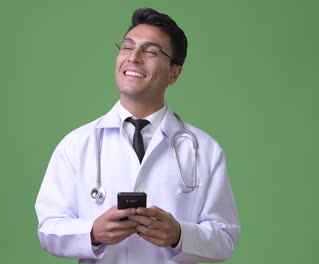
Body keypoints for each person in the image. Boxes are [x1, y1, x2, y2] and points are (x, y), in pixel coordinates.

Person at [35, 8, 240, 264]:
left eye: (151, 51)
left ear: (174, 73)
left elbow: (225, 240)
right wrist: (93, 232)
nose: (134, 57)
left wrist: (180, 235)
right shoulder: (76, 145)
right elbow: (48, 229)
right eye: (127, 47)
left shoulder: (205, 150)